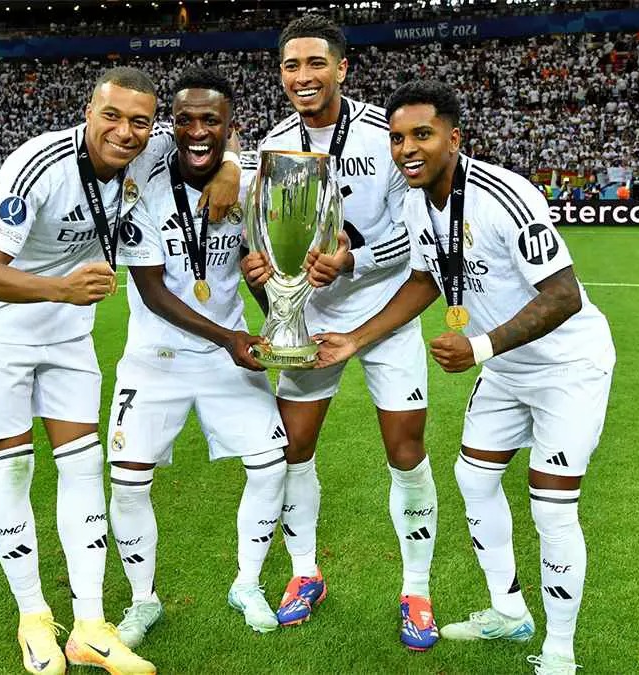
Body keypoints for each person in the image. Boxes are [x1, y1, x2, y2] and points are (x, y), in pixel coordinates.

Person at [315, 80, 615, 675]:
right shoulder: (415, 202)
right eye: (397, 138)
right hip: (505, 367)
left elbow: (564, 295)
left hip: (567, 368)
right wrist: (356, 338)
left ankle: (559, 653)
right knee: (474, 479)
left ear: (454, 138)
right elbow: (426, 279)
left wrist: (478, 346)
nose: (407, 149)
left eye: (422, 135)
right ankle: (509, 611)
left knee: (552, 508)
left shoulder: (505, 195)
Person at [0, 66, 240, 675]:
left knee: (82, 465)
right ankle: (33, 619)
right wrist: (61, 288)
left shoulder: (147, 152)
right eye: (112, 116)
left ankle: (89, 626)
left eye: (140, 121)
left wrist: (232, 167)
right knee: (14, 466)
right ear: (88, 112)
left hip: (67, 326)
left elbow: (214, 138)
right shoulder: (39, 164)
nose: (125, 132)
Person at [240, 13, 440, 650]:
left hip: (383, 315)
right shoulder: (275, 146)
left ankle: (416, 590)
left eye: (316, 63)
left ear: (342, 68)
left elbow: (418, 237)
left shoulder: (386, 136)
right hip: (309, 317)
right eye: (291, 65)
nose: (303, 76)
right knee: (293, 447)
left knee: (405, 450)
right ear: (280, 74)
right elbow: (263, 231)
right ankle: (305, 573)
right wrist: (263, 270)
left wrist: (353, 260)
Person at [104, 68, 288, 647]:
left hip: (225, 356)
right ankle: (143, 600)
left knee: (271, 465)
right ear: (172, 124)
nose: (198, 130)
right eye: (185, 119)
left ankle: (247, 583)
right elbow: (153, 292)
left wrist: (278, 320)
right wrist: (230, 338)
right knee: (128, 483)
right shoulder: (144, 177)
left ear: (231, 127)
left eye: (212, 121)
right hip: (155, 356)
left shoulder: (251, 181)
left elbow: (261, 268)